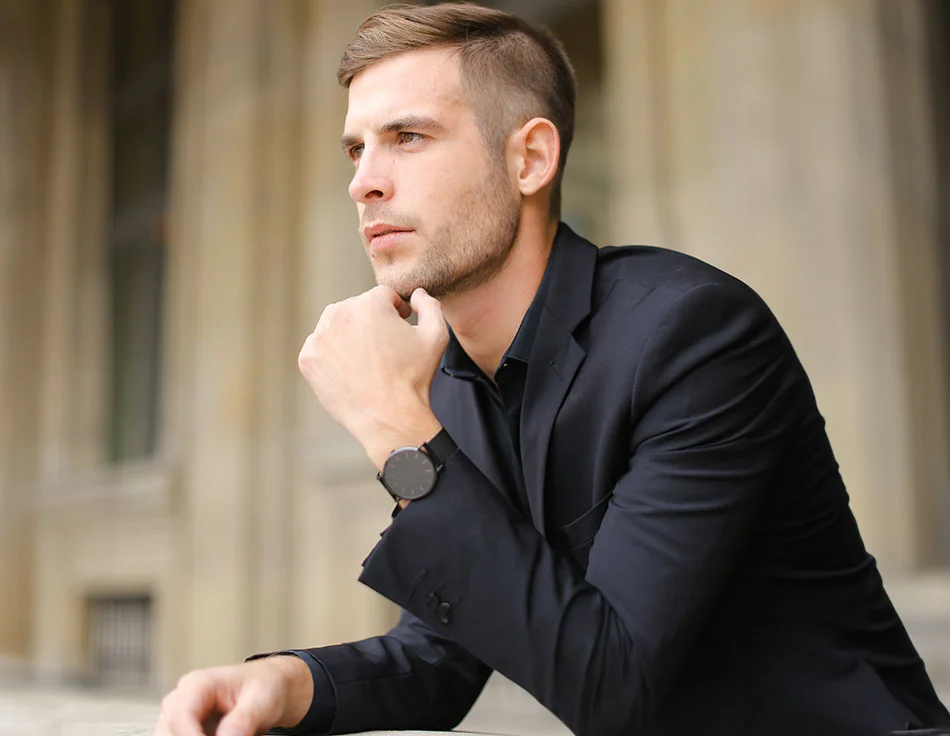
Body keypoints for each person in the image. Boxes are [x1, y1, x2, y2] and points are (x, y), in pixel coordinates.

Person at [154, 4, 950, 736]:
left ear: (531, 157)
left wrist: (394, 429)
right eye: (356, 148)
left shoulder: (695, 335)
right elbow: (443, 655)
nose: (363, 181)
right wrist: (288, 683)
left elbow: (610, 680)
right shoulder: (451, 381)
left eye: (408, 137)